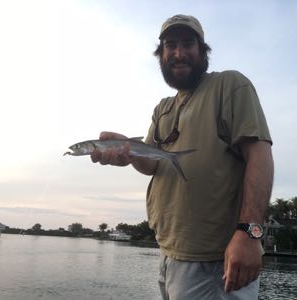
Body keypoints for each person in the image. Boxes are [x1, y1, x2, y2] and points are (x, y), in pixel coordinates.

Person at [91, 14, 274, 300]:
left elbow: (259, 155)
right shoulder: (162, 108)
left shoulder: (230, 86)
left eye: (188, 44)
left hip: (215, 262)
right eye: (170, 45)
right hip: (169, 254)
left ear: (203, 51)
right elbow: (152, 163)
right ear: (160, 55)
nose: (178, 53)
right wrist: (128, 152)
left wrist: (250, 234)